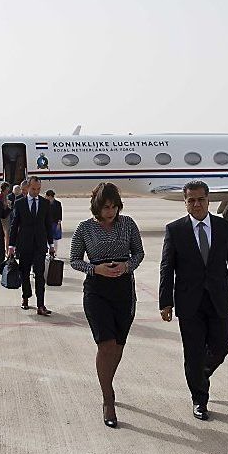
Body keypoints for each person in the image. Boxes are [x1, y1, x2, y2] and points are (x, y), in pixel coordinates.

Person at [159, 180, 228, 421]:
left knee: (222, 346)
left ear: (208, 200)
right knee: (193, 352)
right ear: (185, 203)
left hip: (218, 298)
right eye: (191, 200)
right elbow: (167, 267)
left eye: (200, 199)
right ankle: (199, 398)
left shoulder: (224, 228)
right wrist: (165, 301)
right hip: (189, 302)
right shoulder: (175, 230)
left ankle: (199, 374)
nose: (196, 204)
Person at [70, 183, 144, 428]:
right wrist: (95, 269)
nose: (110, 212)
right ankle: (108, 399)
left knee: (119, 345)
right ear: (97, 207)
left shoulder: (128, 224)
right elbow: (74, 260)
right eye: (105, 207)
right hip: (96, 291)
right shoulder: (84, 229)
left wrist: (127, 266)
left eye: (113, 207)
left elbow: (139, 254)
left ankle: (107, 382)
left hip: (123, 290)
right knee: (106, 345)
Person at [8, 176, 55, 314]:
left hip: (40, 245)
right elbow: (14, 225)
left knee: (40, 275)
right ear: (28, 187)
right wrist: (11, 245)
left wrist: (51, 244)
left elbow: (48, 225)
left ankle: (41, 305)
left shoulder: (45, 203)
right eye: (33, 189)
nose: (36, 191)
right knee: (25, 273)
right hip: (24, 244)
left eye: (38, 189)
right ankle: (25, 297)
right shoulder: (20, 203)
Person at [0, 182, 12, 249]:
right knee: (6, 234)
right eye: (7, 189)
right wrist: (7, 205)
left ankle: (6, 250)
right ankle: (6, 250)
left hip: (7, 217)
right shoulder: (0, 196)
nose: (8, 190)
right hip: (3, 218)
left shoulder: (6, 196)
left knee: (7, 234)